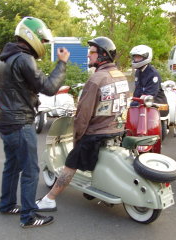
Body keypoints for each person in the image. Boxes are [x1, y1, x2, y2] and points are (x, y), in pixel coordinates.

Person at [35, 37, 130, 213]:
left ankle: (50, 199)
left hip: (96, 132)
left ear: (102, 55)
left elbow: (83, 114)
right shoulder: (120, 75)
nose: (88, 56)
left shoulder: (96, 79)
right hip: (116, 129)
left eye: (92, 52)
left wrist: (77, 135)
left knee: (71, 162)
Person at [0, 16, 70, 228]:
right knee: (30, 171)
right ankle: (28, 217)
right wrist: (62, 63)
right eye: (43, 40)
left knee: (12, 166)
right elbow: (47, 87)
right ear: (32, 36)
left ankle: (7, 204)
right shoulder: (24, 59)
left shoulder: (4, 59)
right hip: (20, 123)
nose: (44, 45)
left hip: (5, 122)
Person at [129, 45, 167, 110]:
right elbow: (137, 91)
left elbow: (150, 95)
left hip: (156, 105)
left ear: (146, 57)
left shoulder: (153, 74)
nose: (136, 59)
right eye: (135, 57)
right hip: (143, 105)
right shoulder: (138, 72)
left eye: (139, 57)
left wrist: (134, 104)